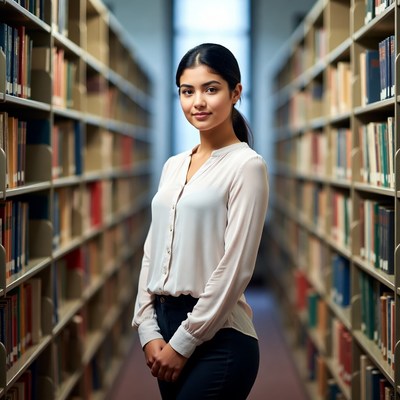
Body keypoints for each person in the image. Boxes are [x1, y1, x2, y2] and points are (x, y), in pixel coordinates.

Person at [132, 43, 269, 400]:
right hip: (164, 330)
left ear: (235, 92)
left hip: (219, 337)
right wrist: (147, 329)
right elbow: (152, 253)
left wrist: (184, 342)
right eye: (187, 91)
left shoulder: (247, 166)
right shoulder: (173, 165)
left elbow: (235, 268)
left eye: (211, 89)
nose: (198, 102)